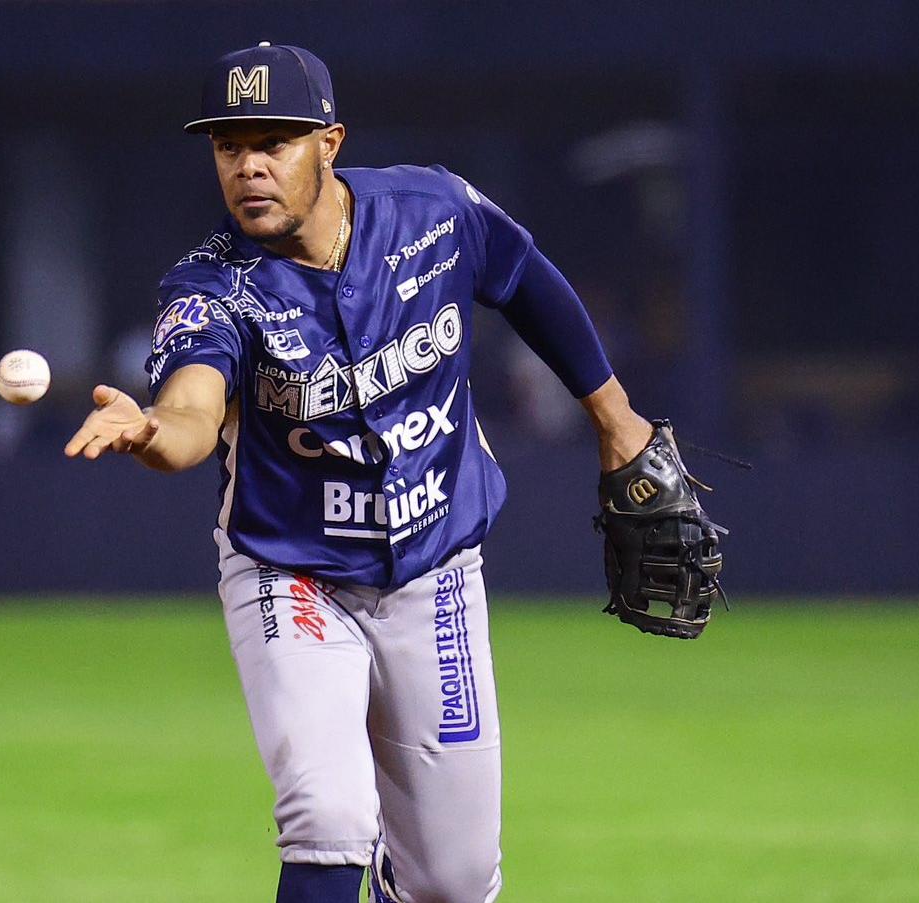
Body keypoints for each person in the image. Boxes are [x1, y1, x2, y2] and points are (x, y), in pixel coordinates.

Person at [66, 42, 656, 903]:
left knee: (453, 880)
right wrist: (155, 429)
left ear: (330, 143)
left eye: (274, 142)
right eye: (230, 146)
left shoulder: (432, 213)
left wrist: (617, 417)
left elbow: (525, 276)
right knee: (328, 817)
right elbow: (192, 408)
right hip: (291, 572)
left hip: (435, 569)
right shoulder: (211, 286)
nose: (249, 167)